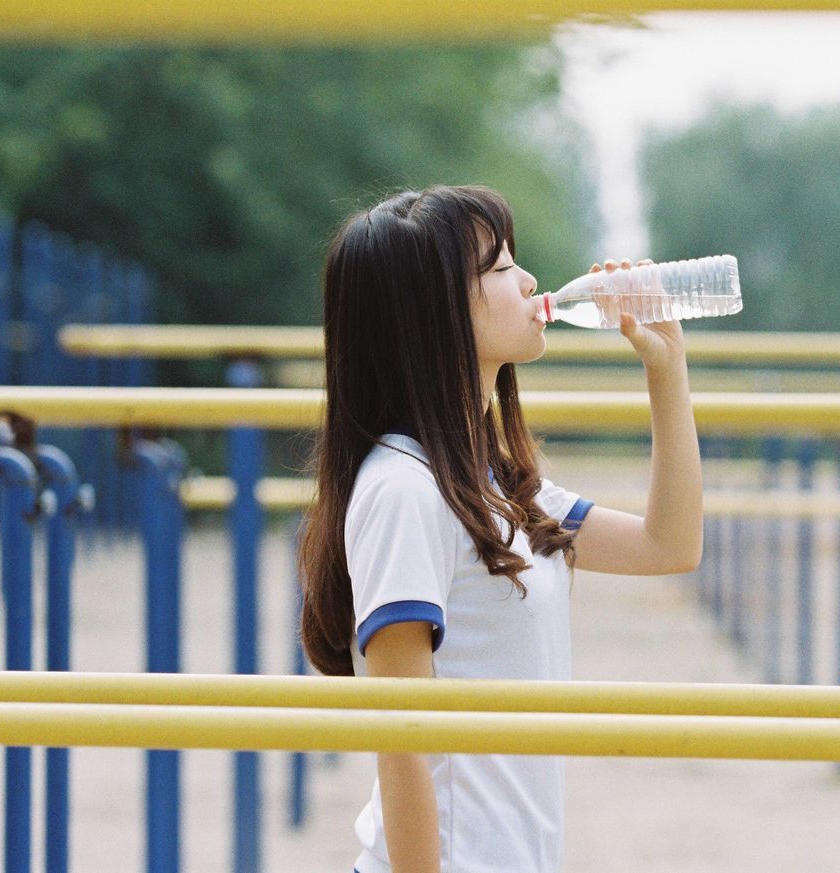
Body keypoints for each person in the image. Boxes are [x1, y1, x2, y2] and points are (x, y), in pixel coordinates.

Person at [299, 185, 703, 873]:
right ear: (431, 314)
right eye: (498, 267)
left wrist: (668, 372)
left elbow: (668, 545)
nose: (530, 281)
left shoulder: (489, 479)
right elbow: (402, 740)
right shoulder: (403, 489)